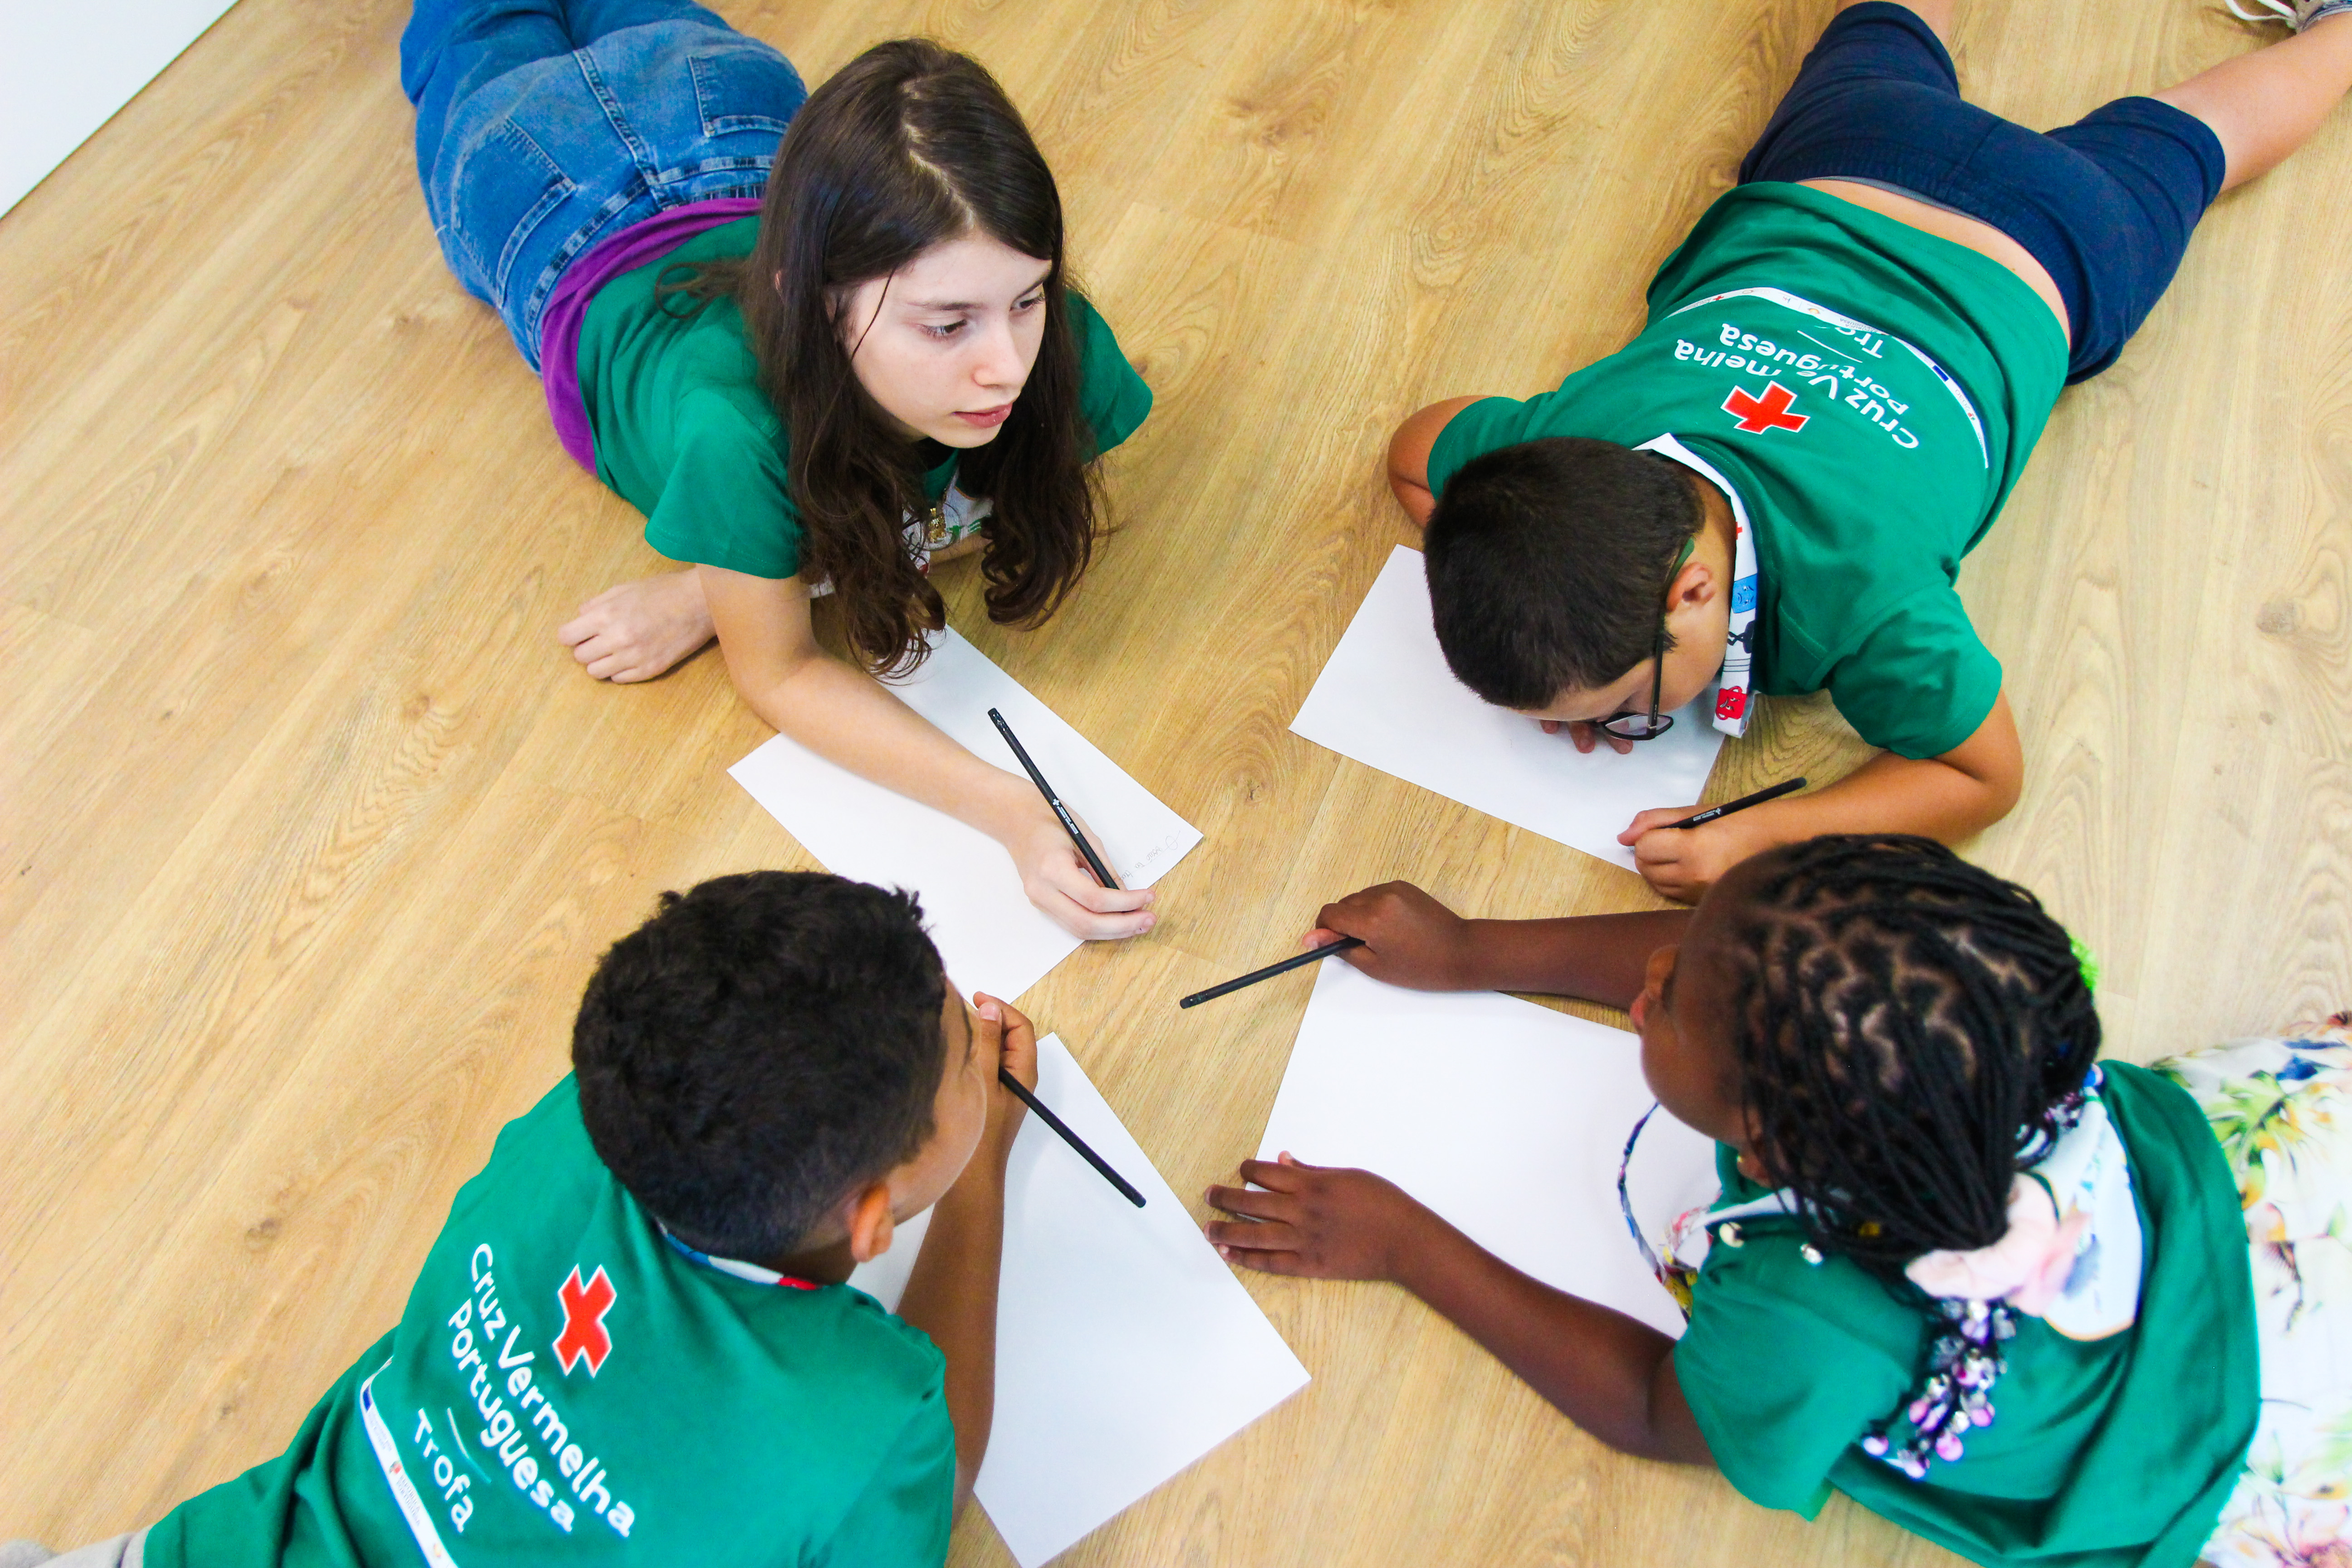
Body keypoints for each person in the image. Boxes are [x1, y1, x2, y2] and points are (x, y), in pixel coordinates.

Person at [1384, 0, 2352, 903]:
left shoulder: (1862, 594)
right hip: (1855, 158)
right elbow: (1417, 449)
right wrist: (1532, 595)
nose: (1612, 723)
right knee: (1893, 27)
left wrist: (1765, 837)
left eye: (1631, 705)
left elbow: (1985, 774)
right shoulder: (1568, 441)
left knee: (2203, 141)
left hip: (2055, 245)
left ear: (1693, 593)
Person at [1207, 836, 2352, 1567]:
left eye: (1669, 1003)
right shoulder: (1959, 1027)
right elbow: (1738, 958)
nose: (1655, 974)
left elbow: (1654, 1410)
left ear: (1774, 1142)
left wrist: (1405, 1244)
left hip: (2249, 1433)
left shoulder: (1813, 1310)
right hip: (2253, 1191)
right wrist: (1469, 951)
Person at [401, 1, 1159, 940]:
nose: (1005, 365)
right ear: (814, 303)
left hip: (735, 118)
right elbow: (781, 672)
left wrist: (726, 586)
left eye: (1028, 298)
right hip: (545, 196)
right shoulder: (739, 432)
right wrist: (1013, 812)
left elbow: (961, 512)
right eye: (947, 324)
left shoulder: (1045, 340)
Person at [10, 872, 1034, 1567]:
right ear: (870, 1217)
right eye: (962, 1063)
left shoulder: (581, 1124)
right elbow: (935, 1485)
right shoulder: (863, 1409)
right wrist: (981, 1172)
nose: (973, 1059)